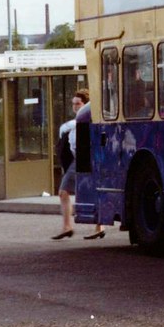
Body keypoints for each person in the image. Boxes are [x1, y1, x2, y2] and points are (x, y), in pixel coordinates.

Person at [53, 89, 104, 240]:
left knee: (64, 191)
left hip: (85, 159)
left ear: (86, 104)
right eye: (73, 104)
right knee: (89, 190)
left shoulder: (84, 120)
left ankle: (70, 226)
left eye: (78, 103)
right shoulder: (76, 121)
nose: (75, 106)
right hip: (78, 159)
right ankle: (74, 226)